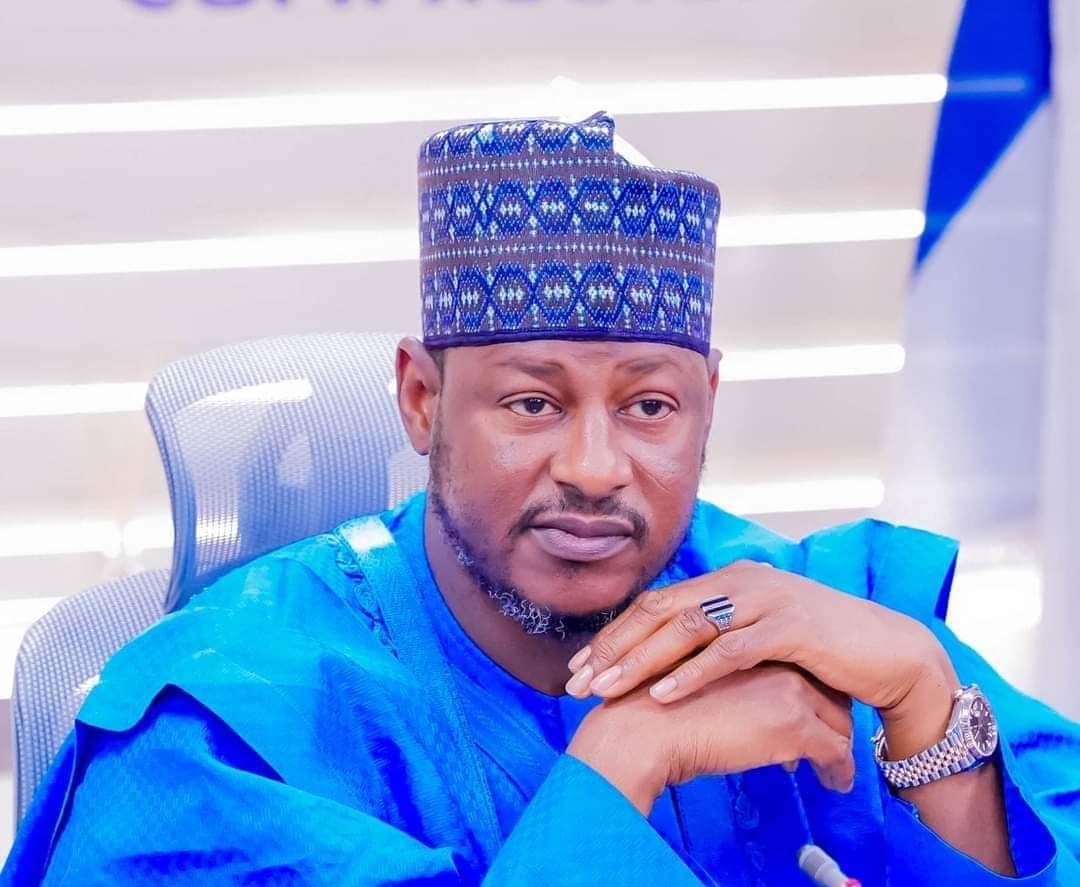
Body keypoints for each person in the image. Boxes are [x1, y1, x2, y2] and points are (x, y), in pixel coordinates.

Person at [4, 112, 1078, 886]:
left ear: (709, 403)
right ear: (422, 399)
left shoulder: (817, 613)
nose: (597, 467)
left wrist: (932, 708)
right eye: (532, 402)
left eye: (650, 405)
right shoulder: (224, 725)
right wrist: (624, 759)